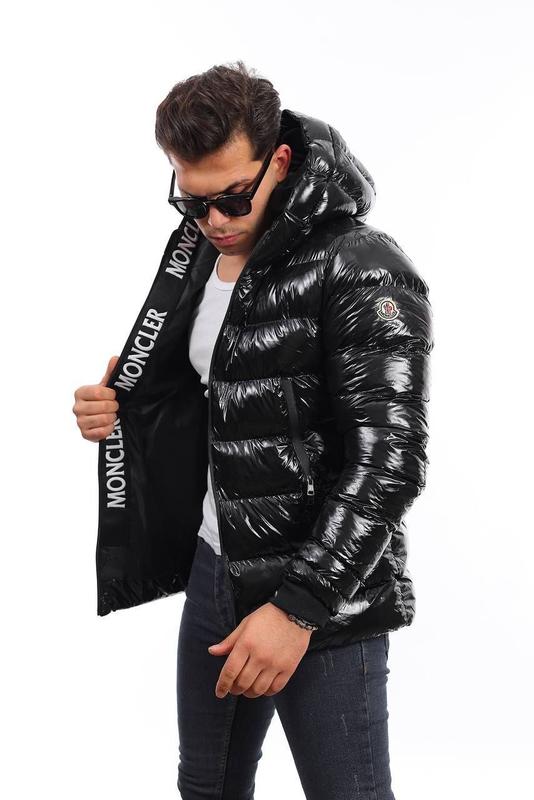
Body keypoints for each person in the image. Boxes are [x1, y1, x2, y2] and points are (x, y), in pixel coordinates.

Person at [73, 60, 433, 800]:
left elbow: (390, 461)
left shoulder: (363, 266)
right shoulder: (203, 254)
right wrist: (124, 409)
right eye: (193, 201)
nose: (214, 221)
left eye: (234, 198)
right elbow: (223, 396)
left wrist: (298, 611)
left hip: (326, 596)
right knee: (206, 788)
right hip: (217, 568)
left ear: (281, 161)